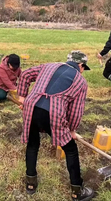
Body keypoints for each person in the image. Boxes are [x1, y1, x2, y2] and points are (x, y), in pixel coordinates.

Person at [17, 50, 94, 201]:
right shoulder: (80, 82)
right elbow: (75, 111)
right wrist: (71, 130)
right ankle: (77, 192)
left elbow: (25, 75)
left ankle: (31, 184)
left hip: (31, 107)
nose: (83, 71)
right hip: (53, 114)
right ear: (80, 65)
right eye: (84, 68)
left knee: (33, 145)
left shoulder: (49, 65)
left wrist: (22, 98)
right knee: (70, 150)